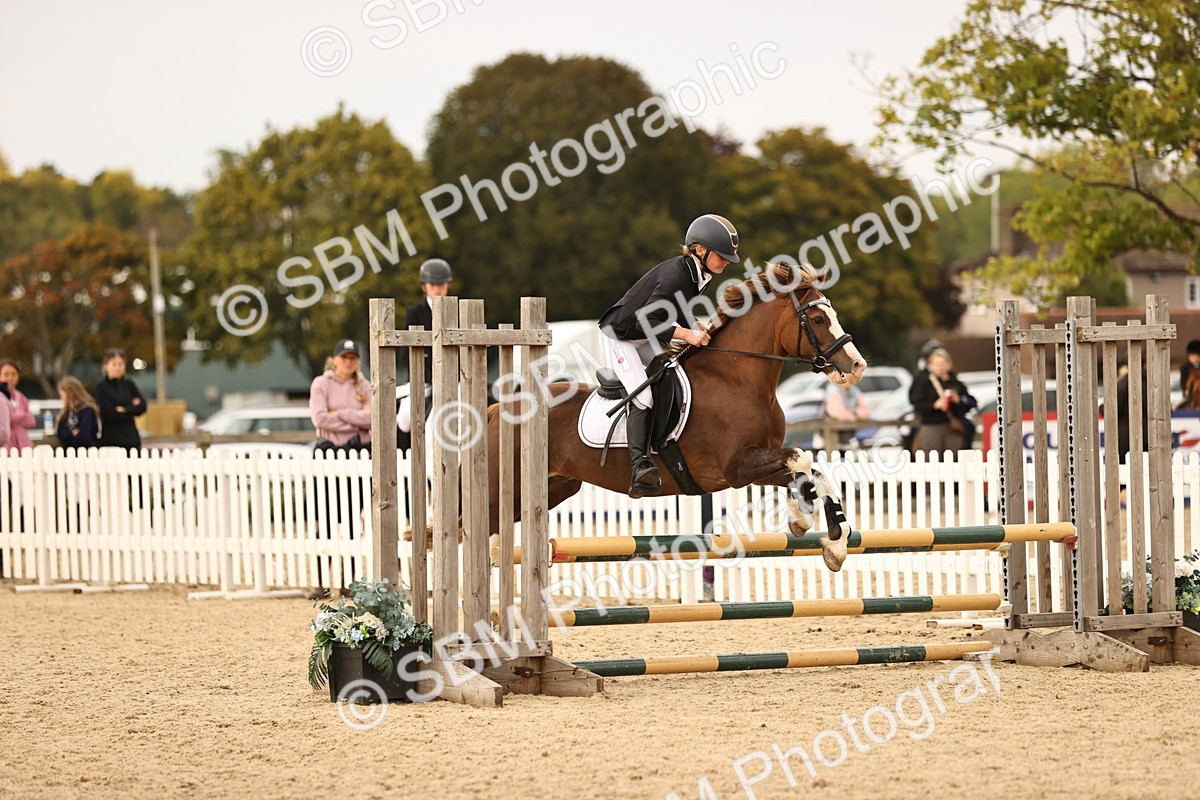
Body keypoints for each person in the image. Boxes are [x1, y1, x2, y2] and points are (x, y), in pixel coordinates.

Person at [599, 214, 738, 497]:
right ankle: (639, 466)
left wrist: (696, 325)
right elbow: (645, 320)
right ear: (700, 250)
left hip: (645, 335)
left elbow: (680, 307)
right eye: (721, 255)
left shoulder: (699, 274)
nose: (725, 261)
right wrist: (687, 335)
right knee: (644, 395)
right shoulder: (676, 273)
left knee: (674, 371)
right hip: (621, 335)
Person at [397, 258, 452, 436]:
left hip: (453, 376)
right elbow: (405, 352)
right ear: (424, 287)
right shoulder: (414, 313)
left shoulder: (456, 311)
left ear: (447, 285)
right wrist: (428, 375)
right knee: (405, 420)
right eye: (433, 284)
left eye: (441, 284)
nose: (437, 288)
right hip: (424, 378)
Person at [910, 348, 977, 453]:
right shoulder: (923, 381)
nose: (940, 367)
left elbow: (971, 402)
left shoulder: (955, 382)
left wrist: (958, 400)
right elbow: (916, 403)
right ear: (930, 365)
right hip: (931, 425)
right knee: (932, 459)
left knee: (955, 459)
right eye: (937, 364)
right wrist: (934, 405)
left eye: (943, 364)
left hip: (953, 427)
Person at [310, 339, 373, 451]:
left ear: (358, 361)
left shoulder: (365, 386)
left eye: (352, 358)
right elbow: (320, 419)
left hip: (360, 451)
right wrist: (358, 423)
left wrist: (340, 413)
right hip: (330, 451)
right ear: (334, 360)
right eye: (344, 357)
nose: (348, 362)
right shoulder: (321, 383)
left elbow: (373, 418)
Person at [93, 348, 146, 450]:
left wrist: (125, 409)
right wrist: (131, 407)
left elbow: (142, 406)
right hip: (111, 441)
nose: (118, 368)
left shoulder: (129, 385)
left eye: (120, 364)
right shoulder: (101, 387)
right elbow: (109, 412)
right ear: (106, 366)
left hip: (132, 440)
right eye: (114, 364)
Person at [55, 376, 100, 449]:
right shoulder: (65, 412)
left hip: (87, 452)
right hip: (69, 452)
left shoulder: (87, 410)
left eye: (62, 394)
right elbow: (61, 434)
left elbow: (85, 435)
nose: (62, 398)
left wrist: (73, 438)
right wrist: (72, 434)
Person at [824, 382, 870, 450]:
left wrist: (852, 413)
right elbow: (838, 413)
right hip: (831, 434)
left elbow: (866, 412)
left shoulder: (854, 390)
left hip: (849, 432)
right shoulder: (833, 390)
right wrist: (854, 415)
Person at [0, 360, 35, 449]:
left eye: (14, 374)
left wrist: (11, 416)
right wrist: (21, 415)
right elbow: (4, 420)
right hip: (5, 446)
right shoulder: (1, 397)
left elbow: (31, 421)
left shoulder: (21, 397)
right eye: (6, 374)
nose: (10, 378)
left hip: (23, 445)